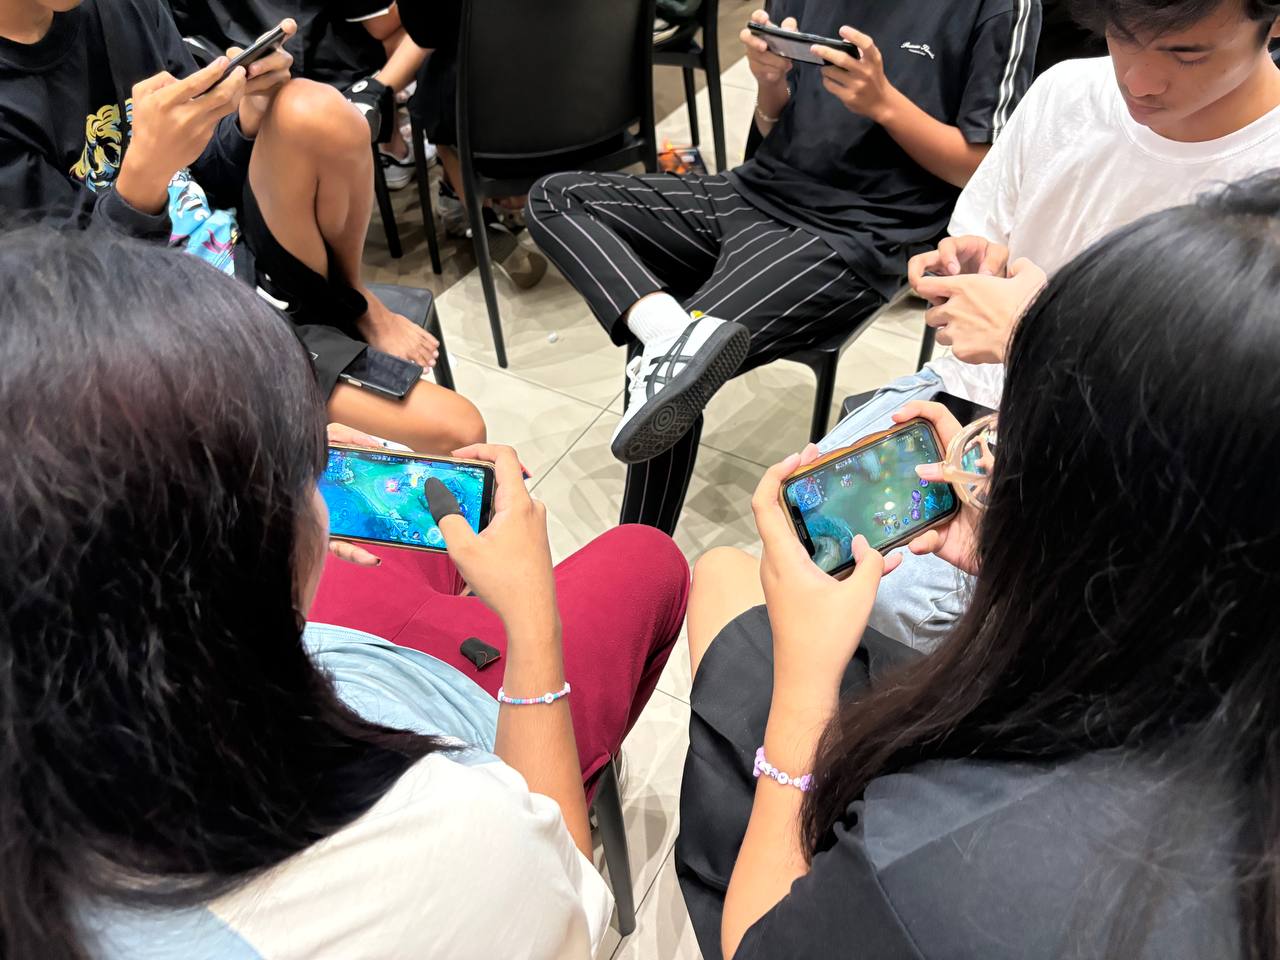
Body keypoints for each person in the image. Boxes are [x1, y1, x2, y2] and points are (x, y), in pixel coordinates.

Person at [0, 222, 690, 959]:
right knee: (647, 556)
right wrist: (530, 626)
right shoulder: (441, 854)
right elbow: (561, 895)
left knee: (420, 524)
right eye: (307, 465)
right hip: (462, 724)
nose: (323, 480)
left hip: (302, 667)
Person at [676, 171, 1280, 960]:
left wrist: (802, 696)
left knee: (730, 604)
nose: (995, 447)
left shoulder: (936, 861)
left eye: (1025, 429)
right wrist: (1011, 562)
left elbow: (757, 944)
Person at [821, 0, 1280, 649]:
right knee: (812, 531)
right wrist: (970, 259)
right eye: (1124, 36)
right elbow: (983, 229)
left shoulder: (1267, 179)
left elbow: (1225, 440)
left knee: (895, 605)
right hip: (971, 411)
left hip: (1121, 478)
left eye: (1186, 53)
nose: (1140, 80)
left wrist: (1035, 335)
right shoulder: (1067, 93)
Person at [523, 0, 1041, 535]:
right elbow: (771, 131)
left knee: (671, 372)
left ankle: (636, 558)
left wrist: (884, 103)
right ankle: (669, 332)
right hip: (755, 189)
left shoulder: (999, 8)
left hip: (860, 234)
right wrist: (770, 83)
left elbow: (983, 168)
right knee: (556, 198)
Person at [0, 0, 482, 455]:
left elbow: (205, 170)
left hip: (231, 256)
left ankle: (352, 301)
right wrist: (141, 183)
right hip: (144, 322)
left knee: (310, 107)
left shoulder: (125, 10)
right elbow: (66, 315)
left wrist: (247, 113)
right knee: (458, 431)